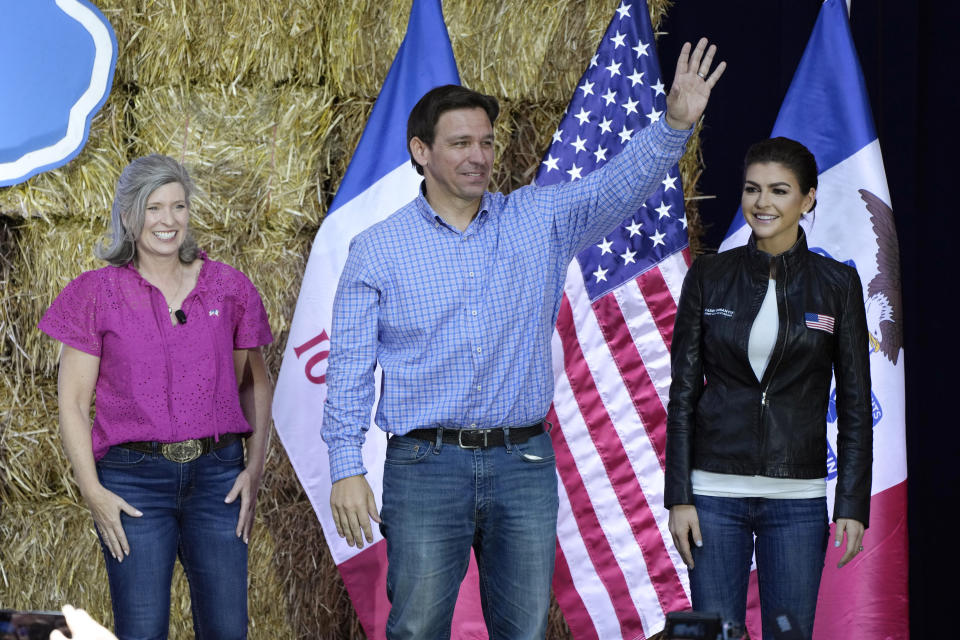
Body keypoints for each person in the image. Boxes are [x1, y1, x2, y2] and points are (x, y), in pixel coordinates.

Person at [322, 39, 726, 639]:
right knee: (416, 630)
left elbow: (615, 187)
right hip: (425, 466)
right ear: (420, 152)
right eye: (460, 143)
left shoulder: (537, 218)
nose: (478, 156)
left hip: (523, 464)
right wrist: (345, 467)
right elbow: (349, 369)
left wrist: (673, 124)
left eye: (486, 142)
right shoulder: (377, 248)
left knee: (525, 632)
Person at [39, 154, 273, 640]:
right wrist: (92, 490)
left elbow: (253, 382)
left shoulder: (229, 287)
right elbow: (73, 402)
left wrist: (253, 468)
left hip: (217, 479)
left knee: (229, 631)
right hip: (133, 483)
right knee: (143, 630)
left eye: (178, 206)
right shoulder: (95, 293)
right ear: (128, 215)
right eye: (153, 207)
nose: (167, 220)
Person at [664, 137, 873, 639]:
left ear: (808, 199)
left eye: (779, 190)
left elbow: (855, 406)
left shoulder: (838, 284)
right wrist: (679, 497)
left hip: (797, 502)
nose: (763, 203)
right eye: (752, 189)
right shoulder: (709, 276)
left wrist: (851, 504)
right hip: (711, 497)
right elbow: (683, 394)